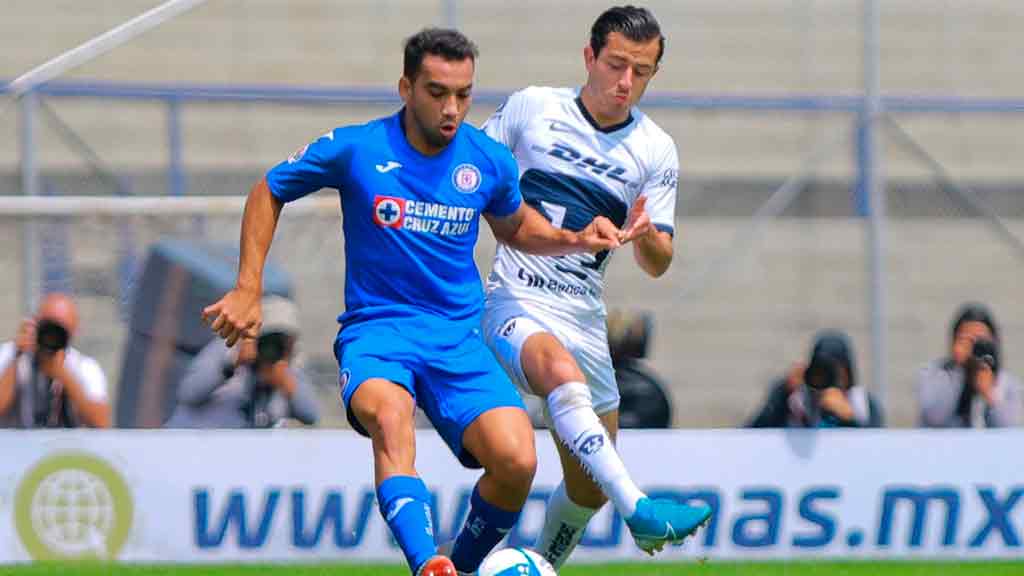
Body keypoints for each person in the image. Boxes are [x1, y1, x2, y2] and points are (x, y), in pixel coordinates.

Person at [199, 28, 622, 576]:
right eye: (437, 92)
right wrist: (248, 286)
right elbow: (269, 188)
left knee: (517, 461)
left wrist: (574, 238)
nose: (452, 108)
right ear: (406, 87)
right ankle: (426, 564)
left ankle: (460, 569)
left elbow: (516, 225)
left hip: (458, 338)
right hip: (378, 333)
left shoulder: (487, 159)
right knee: (391, 420)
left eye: (464, 94)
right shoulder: (358, 148)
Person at [478, 6, 711, 568]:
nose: (626, 82)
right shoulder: (533, 107)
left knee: (587, 488)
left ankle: (537, 565)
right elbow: (470, 181)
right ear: (589, 56)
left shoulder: (655, 149)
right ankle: (642, 511)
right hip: (514, 296)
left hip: (582, 315)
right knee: (560, 374)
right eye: (616, 65)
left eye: (643, 72)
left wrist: (646, 235)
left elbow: (659, 262)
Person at [167, 295, 318, 428]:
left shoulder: (289, 366)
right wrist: (231, 364)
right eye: (269, 339)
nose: (273, 347)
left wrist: (285, 383)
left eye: (282, 341)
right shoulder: (227, 348)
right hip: (197, 442)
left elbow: (311, 415)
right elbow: (188, 394)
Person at [0, 293, 111, 428]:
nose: (52, 337)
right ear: (35, 323)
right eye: (48, 328)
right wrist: (16, 357)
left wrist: (63, 375)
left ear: (73, 332)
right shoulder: (10, 355)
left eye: (59, 331)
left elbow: (101, 423)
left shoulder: (84, 367)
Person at [747, 330, 883, 428]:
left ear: (849, 373)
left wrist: (849, 419)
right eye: (822, 371)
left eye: (836, 373)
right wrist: (783, 394)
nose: (828, 378)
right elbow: (752, 435)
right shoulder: (795, 400)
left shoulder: (863, 403)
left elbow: (876, 451)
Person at [917, 303, 1021, 428]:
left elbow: (1008, 427)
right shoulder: (934, 374)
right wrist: (960, 374)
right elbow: (934, 418)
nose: (973, 348)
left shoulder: (1006, 382)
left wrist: (989, 393)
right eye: (967, 340)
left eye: (980, 341)